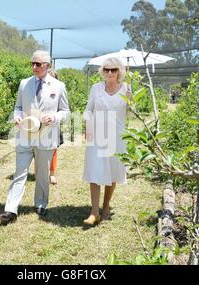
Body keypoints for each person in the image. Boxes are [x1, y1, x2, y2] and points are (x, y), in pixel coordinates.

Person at [0, 50, 70, 225]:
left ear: (48, 65)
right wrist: (16, 116)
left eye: (38, 64)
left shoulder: (58, 86)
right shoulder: (24, 84)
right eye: (32, 63)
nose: (34, 67)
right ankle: (10, 209)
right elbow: (18, 107)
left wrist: (54, 118)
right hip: (25, 135)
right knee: (20, 172)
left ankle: (40, 203)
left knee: (42, 173)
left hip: (46, 136)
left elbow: (66, 111)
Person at [82, 57, 130, 226]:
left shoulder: (126, 88)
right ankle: (94, 212)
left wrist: (131, 101)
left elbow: (133, 114)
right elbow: (88, 110)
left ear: (120, 72)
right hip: (97, 135)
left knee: (113, 171)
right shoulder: (96, 88)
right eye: (107, 69)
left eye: (114, 70)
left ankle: (106, 205)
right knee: (95, 170)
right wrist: (88, 126)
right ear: (102, 71)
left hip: (117, 136)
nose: (110, 73)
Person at [47, 69, 64, 185]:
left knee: (53, 150)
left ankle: (52, 174)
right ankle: (42, 172)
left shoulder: (59, 91)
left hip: (53, 126)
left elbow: (63, 110)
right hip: (39, 125)